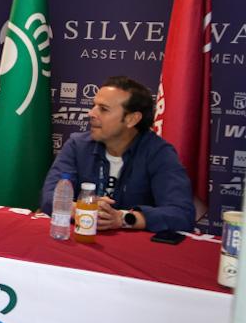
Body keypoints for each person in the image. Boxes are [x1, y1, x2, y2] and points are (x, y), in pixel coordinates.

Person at [40, 76, 195, 232]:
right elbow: (49, 197)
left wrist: (122, 218)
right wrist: (85, 208)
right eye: (93, 105)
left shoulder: (159, 153)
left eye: (103, 109)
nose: (91, 113)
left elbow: (181, 214)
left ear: (132, 119)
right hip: (81, 240)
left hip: (134, 251)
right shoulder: (77, 145)